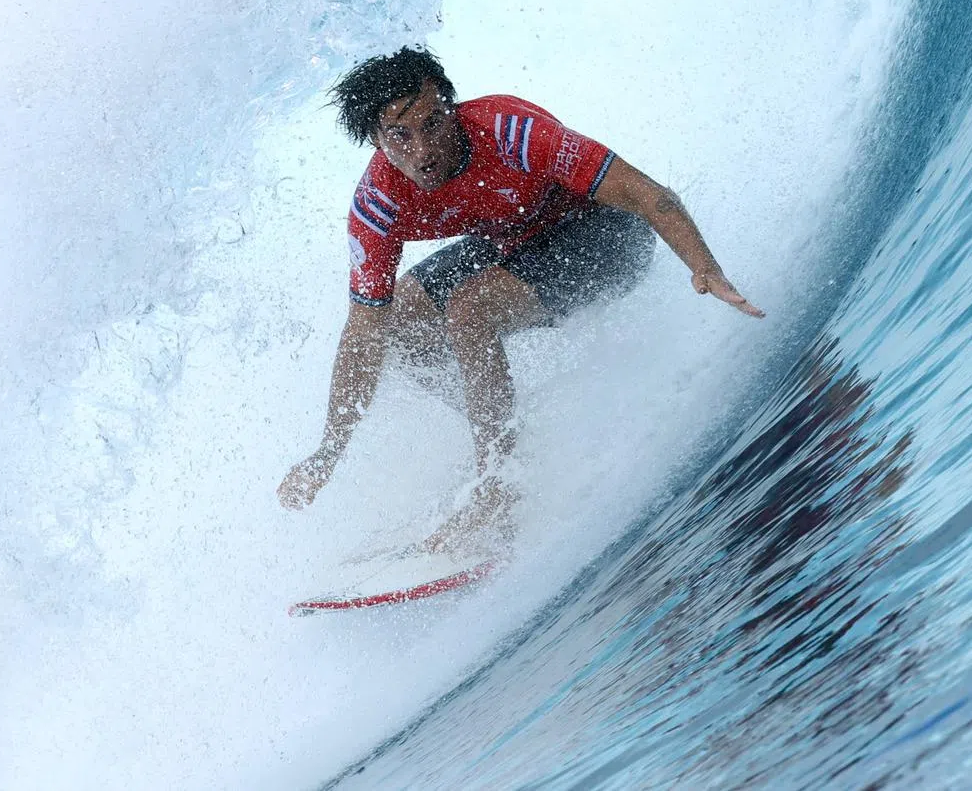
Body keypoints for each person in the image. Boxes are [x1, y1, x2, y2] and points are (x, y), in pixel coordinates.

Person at [277, 47, 764, 549]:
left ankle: (499, 485)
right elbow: (363, 334)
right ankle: (509, 439)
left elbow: (644, 193)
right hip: (513, 240)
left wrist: (705, 266)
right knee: (396, 318)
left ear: (452, 107)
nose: (422, 151)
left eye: (432, 125)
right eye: (401, 136)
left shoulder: (510, 131)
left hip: (606, 232)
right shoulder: (378, 205)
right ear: (376, 142)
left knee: (470, 308)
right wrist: (327, 452)